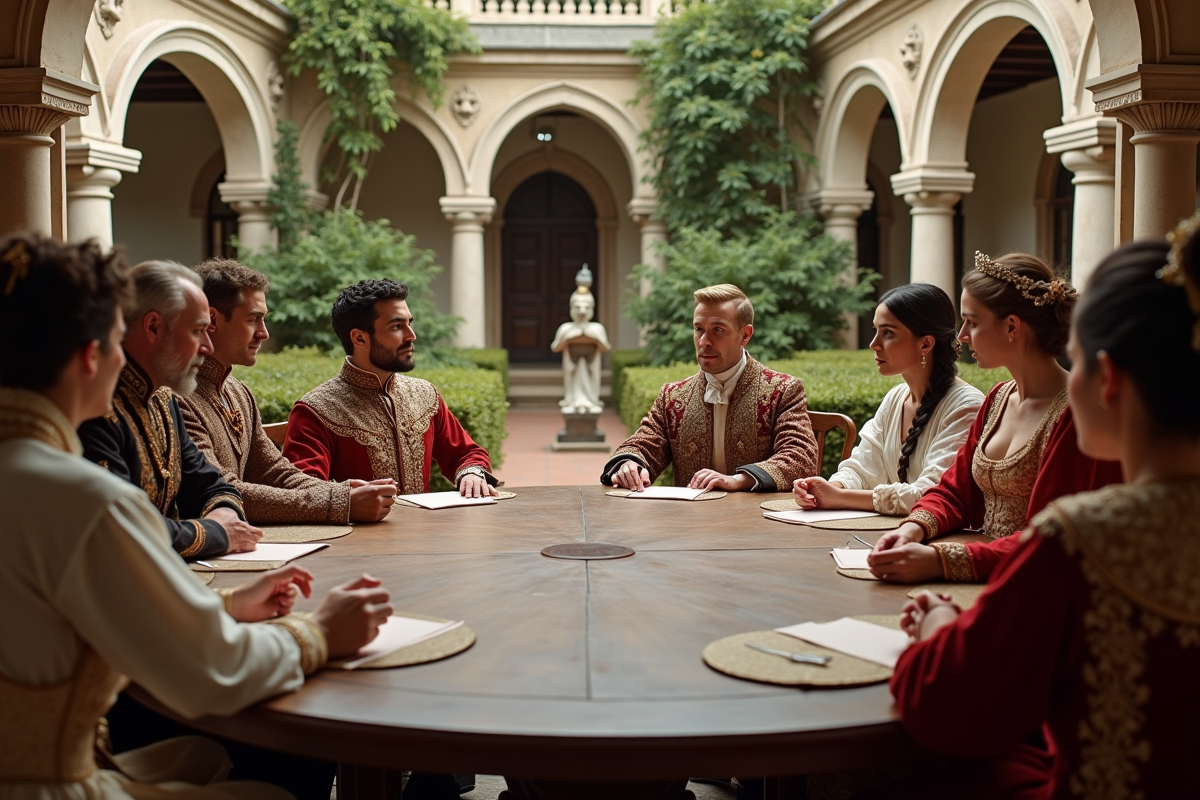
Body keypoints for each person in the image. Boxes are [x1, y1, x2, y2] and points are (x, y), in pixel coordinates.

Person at [0, 233, 391, 800]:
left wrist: (227, 602)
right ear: (92, 357)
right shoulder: (84, 498)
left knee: (202, 755)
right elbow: (212, 671)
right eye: (115, 341)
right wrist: (320, 632)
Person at [886, 227, 1200, 799]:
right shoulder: (1001, 404)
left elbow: (946, 699)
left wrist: (936, 622)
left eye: (1077, 356)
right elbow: (956, 489)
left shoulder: (1081, 539)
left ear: (1111, 380)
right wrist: (919, 526)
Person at [867, 253, 1123, 583]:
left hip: (1043, 583)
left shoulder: (1076, 414)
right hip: (991, 567)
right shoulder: (998, 399)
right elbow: (954, 492)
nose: (960, 335)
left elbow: (1046, 538)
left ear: (1012, 326)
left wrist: (940, 559)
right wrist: (913, 529)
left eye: (972, 322)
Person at [178, 258, 395, 524]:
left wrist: (340, 492)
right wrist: (338, 503)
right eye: (253, 319)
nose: (264, 333)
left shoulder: (237, 392)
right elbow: (222, 491)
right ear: (212, 320)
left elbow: (273, 471)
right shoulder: (178, 397)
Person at [79, 259, 262, 560]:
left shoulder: (164, 399)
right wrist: (219, 533)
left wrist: (223, 513)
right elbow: (128, 529)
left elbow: (208, 483)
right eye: (197, 331)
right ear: (153, 327)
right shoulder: (95, 407)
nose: (208, 346)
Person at [282, 279, 497, 497]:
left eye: (409, 323)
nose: (411, 335)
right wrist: (349, 501)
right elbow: (304, 493)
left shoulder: (425, 395)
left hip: (427, 530)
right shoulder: (315, 411)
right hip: (359, 532)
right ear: (359, 338)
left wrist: (471, 474)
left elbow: (467, 453)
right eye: (396, 326)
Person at [601, 284, 818, 492]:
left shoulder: (783, 391)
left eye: (718, 330)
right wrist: (628, 464)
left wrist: (737, 480)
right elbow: (643, 445)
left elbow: (800, 458)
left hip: (758, 523)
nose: (704, 341)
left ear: (745, 335)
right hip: (691, 525)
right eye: (698, 329)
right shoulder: (672, 397)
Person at [793, 284, 984, 515]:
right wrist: (829, 488)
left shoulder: (967, 407)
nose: (874, 344)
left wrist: (841, 498)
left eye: (888, 333)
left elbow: (932, 494)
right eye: (876, 331)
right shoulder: (895, 398)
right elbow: (862, 467)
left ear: (925, 344)